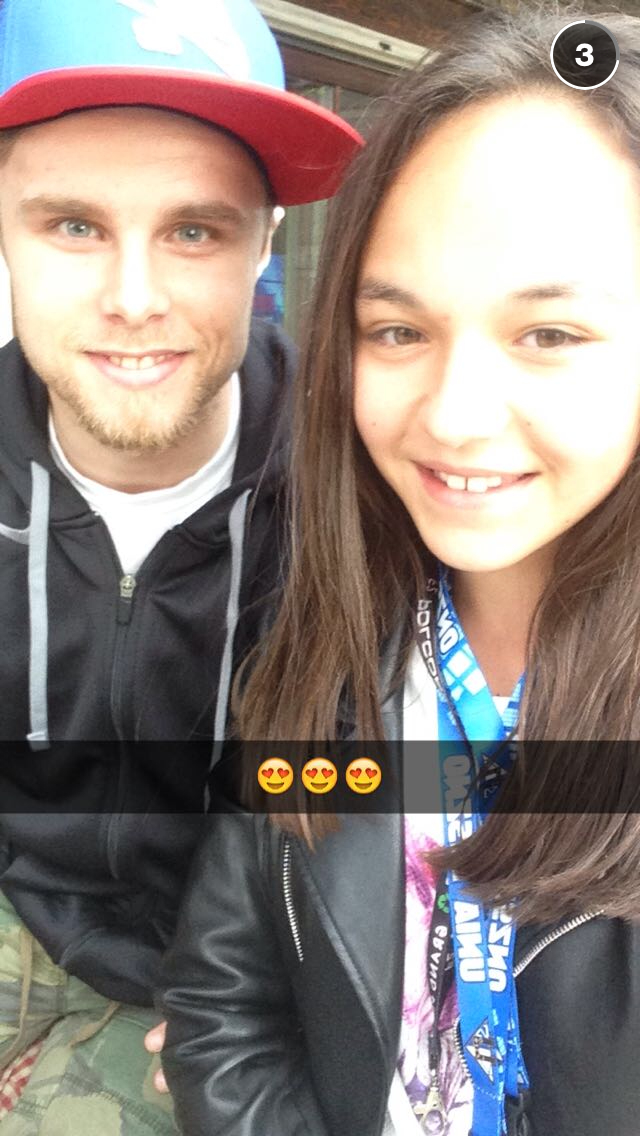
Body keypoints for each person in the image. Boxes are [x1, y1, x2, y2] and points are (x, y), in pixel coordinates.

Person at [160, 7, 640, 1135]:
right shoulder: (330, 642)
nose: (454, 416)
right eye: (397, 331)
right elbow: (224, 1007)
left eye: (550, 334)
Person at [0, 0, 361, 1130]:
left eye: (195, 231)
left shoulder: (366, 496)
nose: (134, 298)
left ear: (264, 243)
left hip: (214, 969)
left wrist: (269, 984)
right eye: (73, 225)